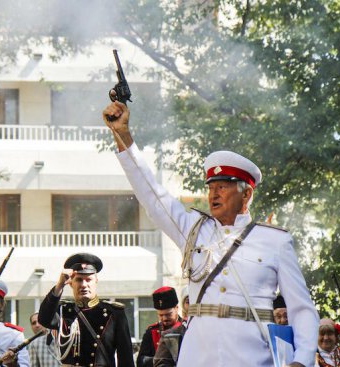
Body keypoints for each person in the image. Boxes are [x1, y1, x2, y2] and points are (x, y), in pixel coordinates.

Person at [102, 101, 319, 367]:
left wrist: (302, 360)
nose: (213, 194)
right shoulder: (194, 229)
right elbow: (152, 195)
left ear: (246, 193)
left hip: (252, 358)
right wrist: (123, 136)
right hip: (197, 357)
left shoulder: (275, 241)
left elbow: (302, 309)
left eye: (223, 187)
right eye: (211, 187)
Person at [37, 253, 134, 367]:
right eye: (79, 279)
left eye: (88, 279)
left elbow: (125, 357)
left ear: (96, 281)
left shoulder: (113, 313)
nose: (84, 285)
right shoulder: (63, 311)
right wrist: (60, 285)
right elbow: (44, 319)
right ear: (71, 283)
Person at [137, 287, 182, 367]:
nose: (164, 318)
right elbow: (141, 361)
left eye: (168, 314)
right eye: (161, 315)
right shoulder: (151, 332)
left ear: (176, 309)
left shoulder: (186, 329)